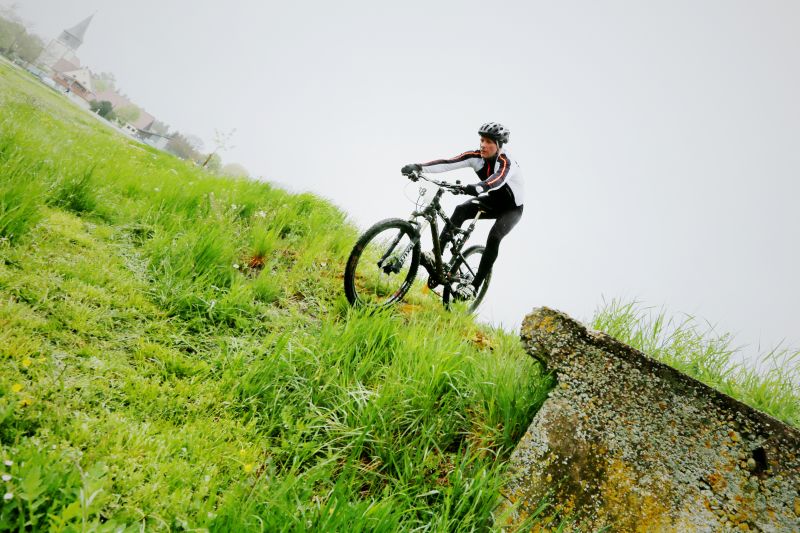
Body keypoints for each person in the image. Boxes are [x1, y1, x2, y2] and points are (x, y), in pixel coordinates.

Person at [401, 122, 524, 300]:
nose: (483, 145)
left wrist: (479, 187)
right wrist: (419, 167)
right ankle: (436, 255)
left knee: (495, 237)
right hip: (492, 201)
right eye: (482, 140)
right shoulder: (475, 157)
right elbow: (448, 163)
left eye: (489, 141)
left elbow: (498, 179)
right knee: (461, 210)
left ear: (499, 145)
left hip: (511, 209)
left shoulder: (506, 162)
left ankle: (474, 286)